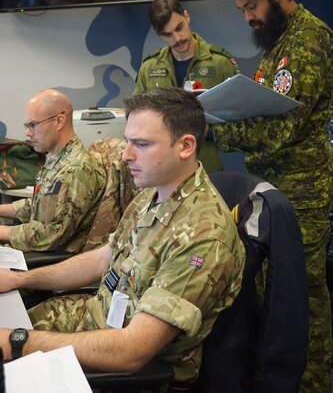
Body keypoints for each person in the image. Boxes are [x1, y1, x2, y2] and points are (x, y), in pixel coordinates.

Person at [0, 87, 245, 386]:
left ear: (185, 146)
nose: (125, 155)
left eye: (140, 144)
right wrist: (19, 279)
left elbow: (133, 350)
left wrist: (18, 341)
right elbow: (104, 258)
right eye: (128, 140)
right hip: (95, 318)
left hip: (128, 370)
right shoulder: (153, 194)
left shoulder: (204, 237)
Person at [213, 0, 333, 393]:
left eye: (252, 5)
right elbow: (266, 106)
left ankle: (314, 381)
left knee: (303, 295)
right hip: (275, 188)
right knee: (273, 292)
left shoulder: (309, 42)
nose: (248, 17)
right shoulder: (280, 41)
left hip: (303, 189)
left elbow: (282, 128)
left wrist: (217, 127)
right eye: (241, 9)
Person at [134, 0, 240, 173]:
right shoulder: (149, 67)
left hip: (206, 167)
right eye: (167, 34)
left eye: (179, 27)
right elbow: (135, 115)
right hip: (161, 169)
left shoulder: (220, 63)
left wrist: (209, 131)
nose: (177, 38)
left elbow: (240, 116)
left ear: (187, 16)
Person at [0, 89, 106, 253]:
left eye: (33, 125)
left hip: (55, 259)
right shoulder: (56, 159)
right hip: (43, 250)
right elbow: (40, 205)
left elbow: (49, 235)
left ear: (59, 121)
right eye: (26, 125)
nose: (27, 133)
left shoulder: (75, 168)